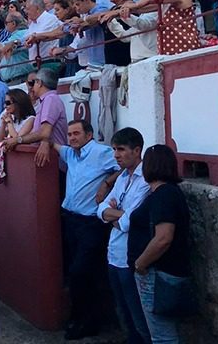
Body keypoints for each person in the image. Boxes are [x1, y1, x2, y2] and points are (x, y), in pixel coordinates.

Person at [56, 120, 120, 340]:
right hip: (72, 220)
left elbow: (125, 167)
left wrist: (106, 183)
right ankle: (81, 318)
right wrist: (46, 144)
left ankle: (88, 321)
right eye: (69, 134)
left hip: (91, 223)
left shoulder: (101, 153)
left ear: (89, 135)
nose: (72, 138)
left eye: (76, 134)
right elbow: (50, 142)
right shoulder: (70, 154)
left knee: (82, 272)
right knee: (77, 272)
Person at [129, 145, 191, 344]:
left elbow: (163, 238)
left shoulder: (163, 195)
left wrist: (140, 264)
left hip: (158, 273)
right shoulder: (169, 193)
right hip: (165, 271)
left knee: (162, 335)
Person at [97, 127, 152, 344]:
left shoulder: (145, 180)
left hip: (130, 258)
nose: (116, 155)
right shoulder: (122, 178)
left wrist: (112, 213)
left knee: (139, 317)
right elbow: (99, 209)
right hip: (114, 254)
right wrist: (114, 214)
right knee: (124, 313)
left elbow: (129, 222)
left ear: (137, 150)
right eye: (114, 150)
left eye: (121, 149)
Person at [2, 67, 66, 167]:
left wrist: (17, 140)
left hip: (53, 161)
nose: (31, 88)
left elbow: (44, 133)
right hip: (50, 159)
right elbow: (37, 132)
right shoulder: (46, 100)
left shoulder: (50, 99)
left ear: (39, 82)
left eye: (34, 83)